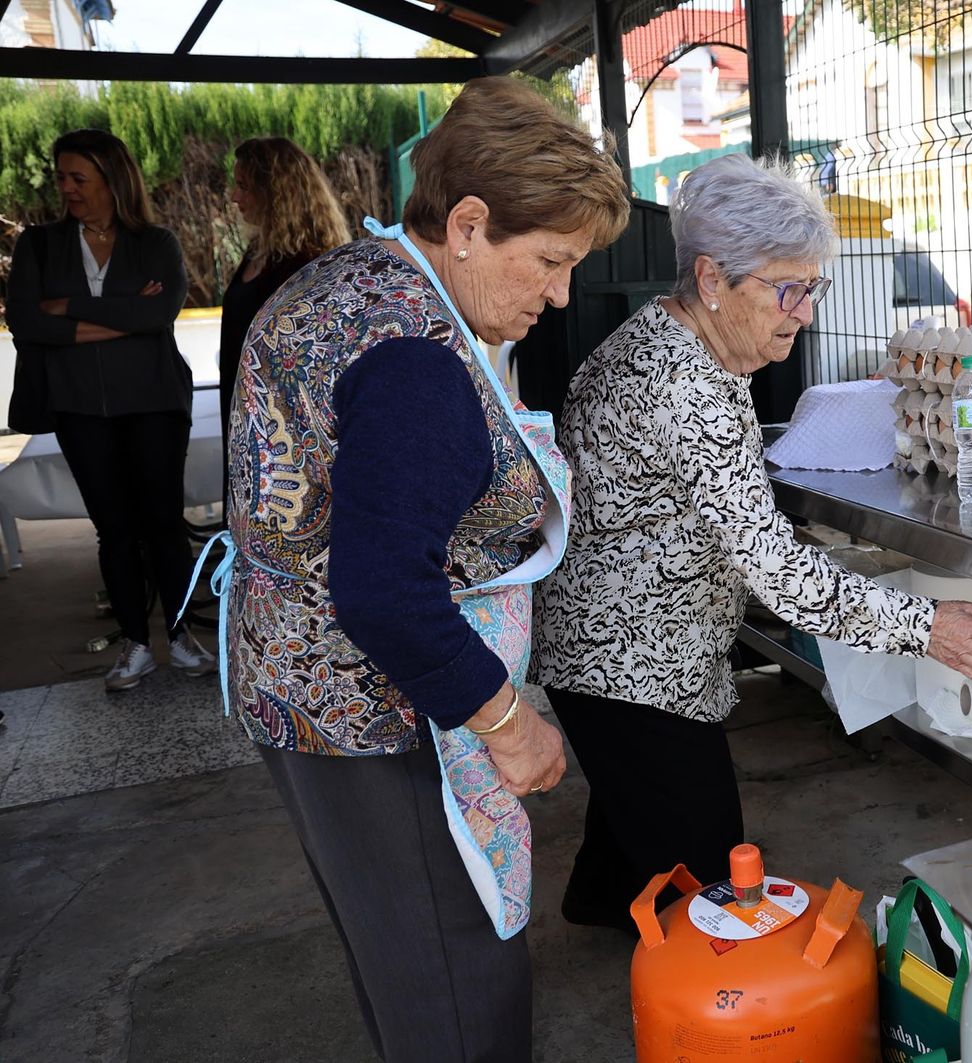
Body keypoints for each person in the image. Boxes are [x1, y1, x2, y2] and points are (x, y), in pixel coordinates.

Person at [219, 78, 629, 1062]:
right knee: (457, 986)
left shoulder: (359, 276)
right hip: (378, 725)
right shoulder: (415, 357)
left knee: (404, 970)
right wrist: (508, 721)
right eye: (550, 261)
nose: (561, 293)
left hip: (293, 692)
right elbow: (383, 589)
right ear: (469, 224)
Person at [533, 153, 972, 931]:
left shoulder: (664, 336)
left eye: (810, 288)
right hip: (629, 668)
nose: (804, 312)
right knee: (714, 885)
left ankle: (605, 899)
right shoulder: (688, 383)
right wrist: (930, 628)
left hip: (606, 643)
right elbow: (780, 575)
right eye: (786, 290)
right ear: (713, 280)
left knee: (637, 817)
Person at [4, 129, 216, 691]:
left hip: (153, 402)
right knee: (114, 531)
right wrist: (121, 315)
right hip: (79, 409)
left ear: (112, 180)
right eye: (62, 178)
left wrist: (68, 311)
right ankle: (136, 645)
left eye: (79, 178)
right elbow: (26, 322)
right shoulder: (39, 246)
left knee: (164, 525)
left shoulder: (157, 242)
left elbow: (159, 315)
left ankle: (182, 638)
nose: (67, 189)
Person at [218, 136, 348, 490]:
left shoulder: (306, 263)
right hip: (245, 418)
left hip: (283, 434)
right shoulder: (259, 251)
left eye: (244, 186)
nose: (234, 196)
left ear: (276, 192)